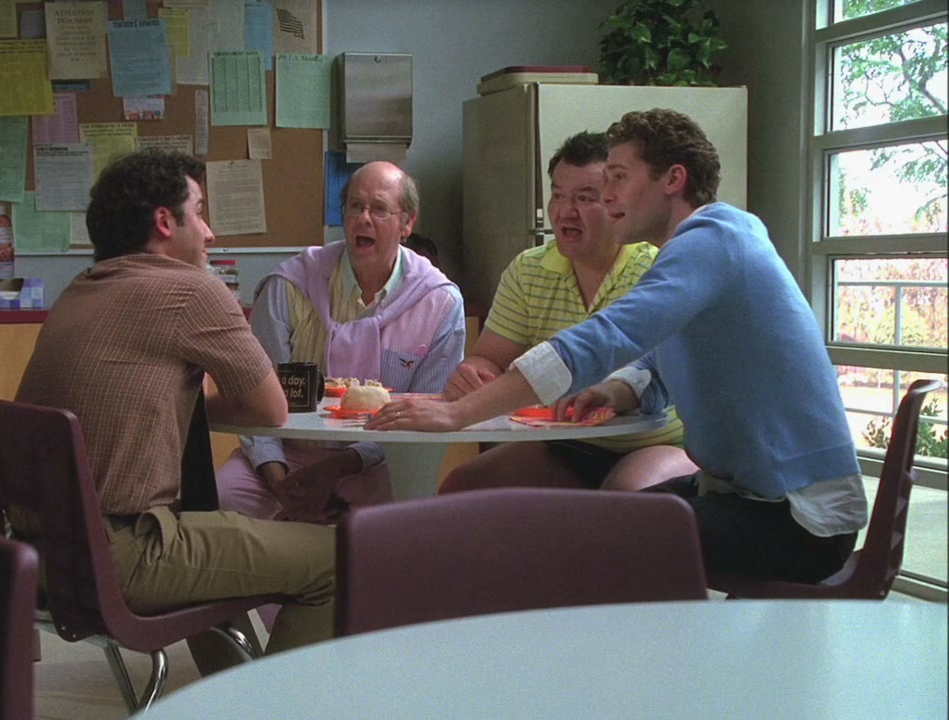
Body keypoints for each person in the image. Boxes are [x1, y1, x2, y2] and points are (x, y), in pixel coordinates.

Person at [369, 109, 865, 583]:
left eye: (620, 177)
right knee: (604, 528)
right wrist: (617, 391)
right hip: (748, 495)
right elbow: (657, 363)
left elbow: (605, 339)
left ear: (673, 179)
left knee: (600, 543)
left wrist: (457, 415)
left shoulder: (713, 239)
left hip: (799, 515)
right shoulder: (711, 242)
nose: (607, 196)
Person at [13, 149, 335, 662]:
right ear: (165, 222)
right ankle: (277, 701)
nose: (210, 233)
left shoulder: (80, 290)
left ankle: (232, 694)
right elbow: (271, 411)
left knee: (210, 528)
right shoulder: (192, 291)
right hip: (119, 556)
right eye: (200, 212)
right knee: (337, 558)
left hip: (41, 555)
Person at [441, 132, 697, 494]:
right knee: (464, 486)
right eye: (558, 195)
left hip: (656, 441)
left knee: (624, 497)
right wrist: (475, 374)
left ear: (616, 201)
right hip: (566, 442)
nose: (565, 211)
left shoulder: (657, 267)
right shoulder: (528, 269)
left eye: (585, 198)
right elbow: (489, 359)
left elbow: (651, 371)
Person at [215, 161, 465, 523]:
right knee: (225, 498)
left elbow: (425, 416)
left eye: (379, 209)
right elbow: (255, 398)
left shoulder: (439, 302)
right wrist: (278, 480)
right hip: (288, 452)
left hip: (378, 457)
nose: (364, 218)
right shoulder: (289, 285)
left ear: (408, 223)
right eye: (355, 207)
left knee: (399, 516)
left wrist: (338, 468)